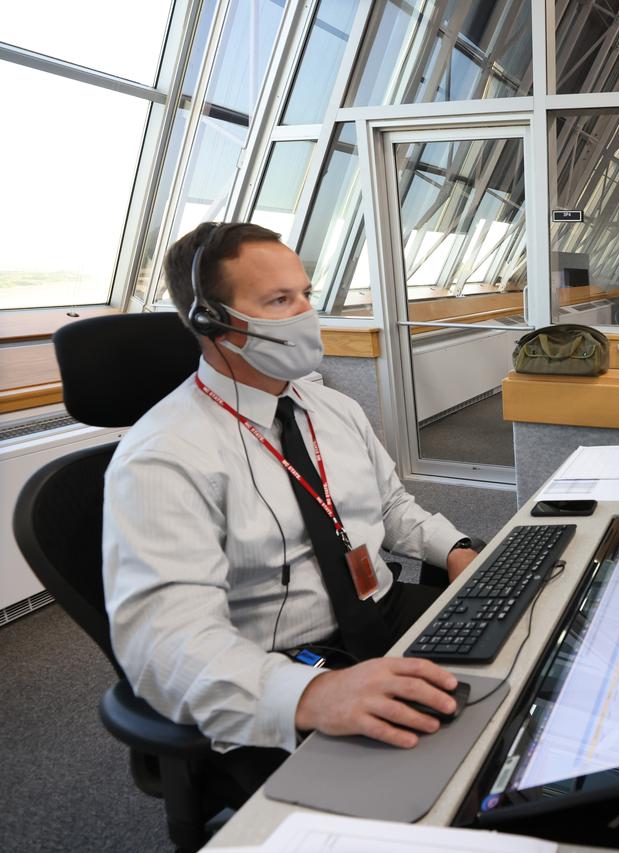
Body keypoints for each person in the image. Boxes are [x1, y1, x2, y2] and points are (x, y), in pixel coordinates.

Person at [102, 221, 480, 797]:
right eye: (280, 300)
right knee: (428, 794)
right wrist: (311, 695)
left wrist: (452, 549)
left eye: (305, 293)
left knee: (519, 668)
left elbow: (393, 507)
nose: (306, 314)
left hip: (386, 614)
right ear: (213, 322)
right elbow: (165, 644)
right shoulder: (163, 457)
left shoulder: (333, 408)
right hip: (281, 665)